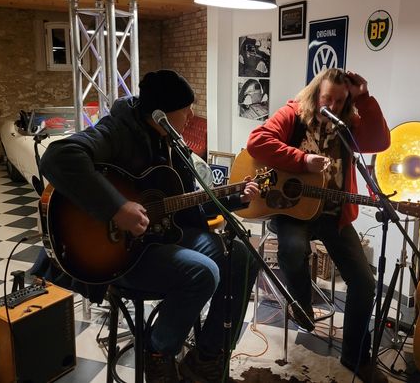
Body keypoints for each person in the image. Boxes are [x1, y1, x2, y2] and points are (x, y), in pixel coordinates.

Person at [35, 69, 260, 383]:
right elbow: (58, 158)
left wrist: (235, 198)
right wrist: (117, 208)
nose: (192, 116)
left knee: (243, 257)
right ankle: (157, 352)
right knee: (203, 272)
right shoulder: (119, 130)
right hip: (119, 251)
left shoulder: (172, 142)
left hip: (160, 237)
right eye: (186, 109)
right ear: (160, 114)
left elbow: (184, 205)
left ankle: (208, 356)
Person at [246, 67, 391, 383]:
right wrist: (302, 160)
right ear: (315, 94)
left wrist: (364, 98)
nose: (333, 106)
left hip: (334, 215)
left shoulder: (348, 125)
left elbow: (380, 141)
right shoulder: (293, 114)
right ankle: (302, 304)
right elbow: (257, 141)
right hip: (293, 211)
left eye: (341, 101)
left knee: (365, 283)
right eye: (328, 99)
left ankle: (356, 356)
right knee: (292, 249)